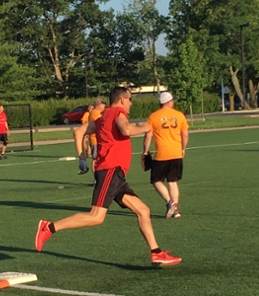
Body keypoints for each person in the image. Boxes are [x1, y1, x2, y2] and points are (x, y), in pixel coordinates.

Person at [35, 86, 182, 267]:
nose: (130, 103)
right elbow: (126, 130)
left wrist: (82, 158)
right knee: (96, 216)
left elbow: (78, 132)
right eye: (129, 99)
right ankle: (48, 227)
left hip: (116, 174)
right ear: (122, 100)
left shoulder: (103, 116)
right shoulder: (118, 112)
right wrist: (147, 126)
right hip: (110, 171)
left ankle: (156, 253)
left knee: (143, 210)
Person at [142, 92, 189, 218]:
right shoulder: (179, 115)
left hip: (162, 154)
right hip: (176, 153)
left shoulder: (154, 116)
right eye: (172, 100)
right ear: (168, 102)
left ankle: (170, 202)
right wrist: (183, 148)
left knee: (156, 180)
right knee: (172, 181)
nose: (173, 102)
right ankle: (176, 210)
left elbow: (148, 136)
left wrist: (145, 151)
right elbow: (185, 135)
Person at [78, 105, 93, 174]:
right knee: (84, 142)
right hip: (86, 129)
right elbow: (83, 121)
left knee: (90, 141)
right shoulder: (87, 114)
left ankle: (89, 153)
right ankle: (84, 152)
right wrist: (85, 128)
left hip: (91, 130)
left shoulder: (93, 114)